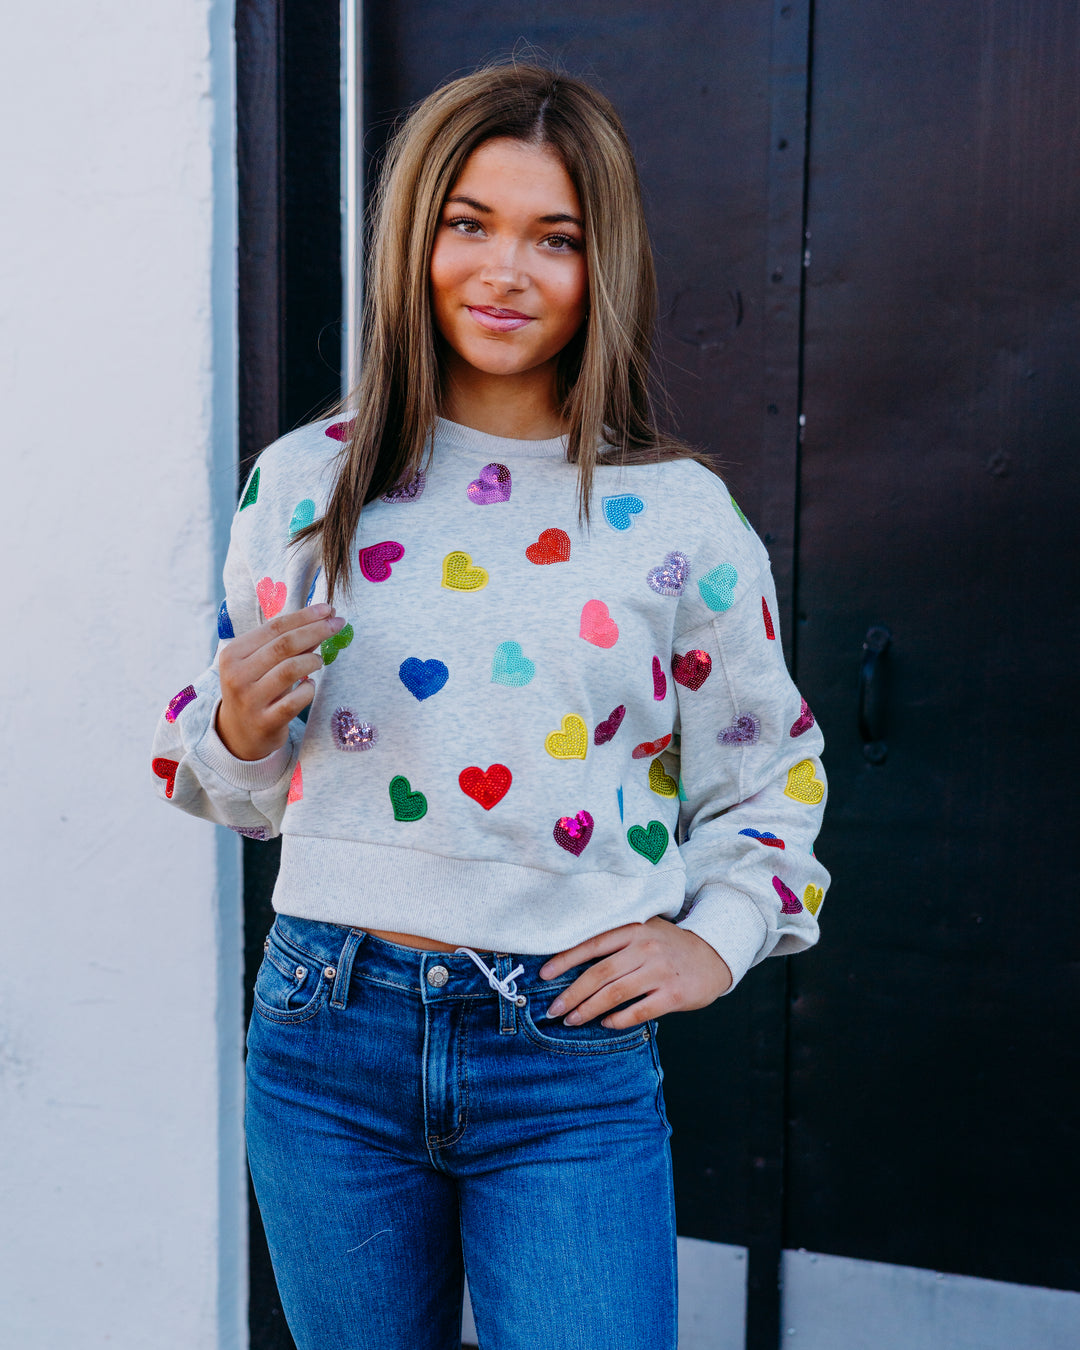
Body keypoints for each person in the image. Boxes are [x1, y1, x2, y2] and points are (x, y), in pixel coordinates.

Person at [151, 61, 829, 1350]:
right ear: (417, 238)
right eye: (469, 223)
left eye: (554, 238)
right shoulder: (305, 485)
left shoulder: (678, 515)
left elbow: (769, 771)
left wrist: (721, 932)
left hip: (565, 1058)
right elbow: (231, 784)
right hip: (324, 1036)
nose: (505, 270)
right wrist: (234, 725)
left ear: (602, 266)